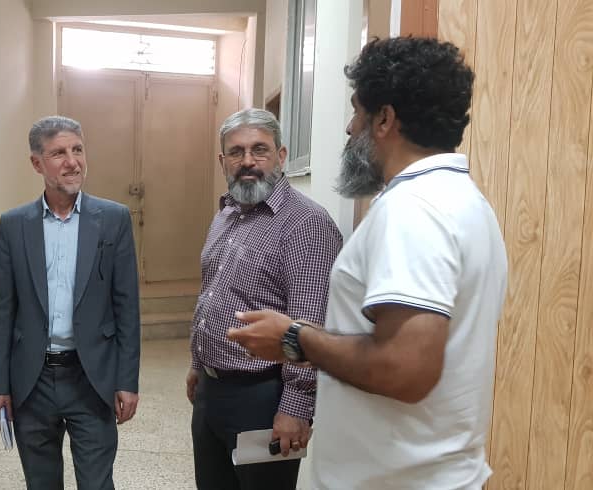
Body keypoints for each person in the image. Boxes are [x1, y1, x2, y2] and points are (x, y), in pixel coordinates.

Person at [228, 37, 508, 489]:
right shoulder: (465, 201)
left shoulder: (413, 210)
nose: (348, 127)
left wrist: (295, 339)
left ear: (384, 119)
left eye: (356, 111)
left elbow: (405, 367)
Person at [188, 108, 343, 489]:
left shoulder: (306, 224)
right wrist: (198, 364)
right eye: (236, 152)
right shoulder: (227, 213)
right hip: (212, 390)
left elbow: (310, 324)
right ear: (223, 161)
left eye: (260, 150)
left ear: (282, 155)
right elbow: (212, 292)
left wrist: (296, 408)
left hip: (264, 398)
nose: (248, 161)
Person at [0, 115, 141, 489]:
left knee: (97, 483)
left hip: (91, 376)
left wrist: (127, 380)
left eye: (78, 150)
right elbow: (3, 310)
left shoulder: (113, 219)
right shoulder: (14, 225)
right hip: (32, 379)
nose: (73, 162)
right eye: (58, 153)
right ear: (37, 163)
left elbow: (127, 307)